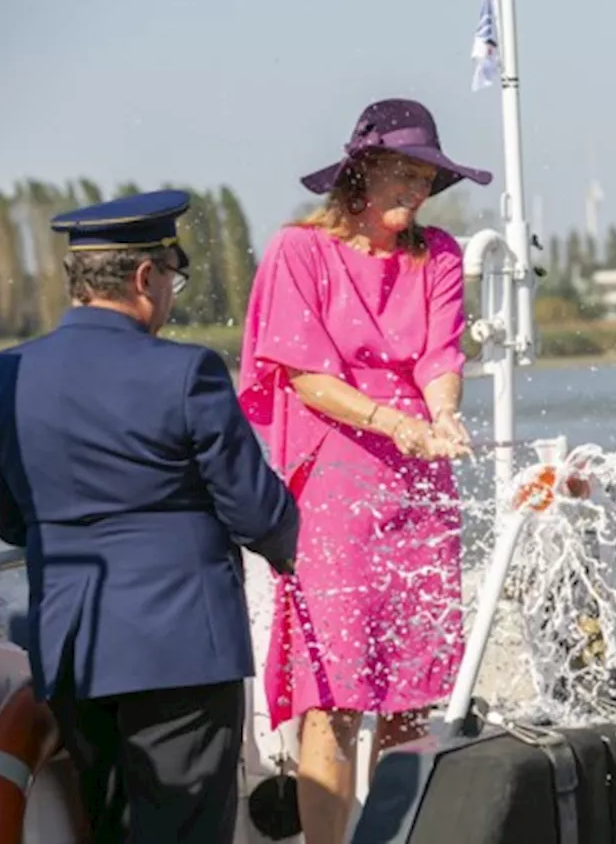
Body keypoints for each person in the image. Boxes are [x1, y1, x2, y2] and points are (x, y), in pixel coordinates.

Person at [0, 189, 300, 844]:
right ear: (146, 276)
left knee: (110, 825)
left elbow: (11, 522)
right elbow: (258, 512)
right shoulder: (187, 372)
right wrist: (291, 549)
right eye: (173, 276)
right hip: (181, 650)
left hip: (72, 648)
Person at [237, 97, 491, 844]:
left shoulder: (438, 254)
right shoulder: (298, 252)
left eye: (425, 179)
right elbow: (304, 374)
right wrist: (394, 423)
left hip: (420, 488)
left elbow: (441, 356)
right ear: (359, 174)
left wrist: (443, 414)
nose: (414, 192)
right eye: (401, 175)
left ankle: (397, 837)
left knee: (412, 693)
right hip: (335, 486)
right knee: (335, 696)